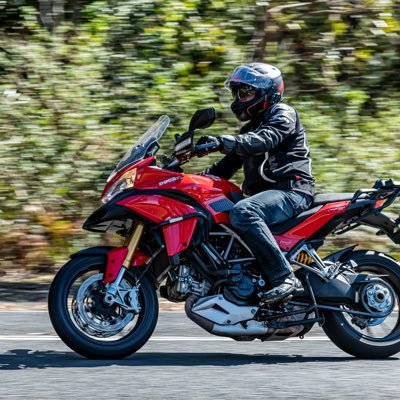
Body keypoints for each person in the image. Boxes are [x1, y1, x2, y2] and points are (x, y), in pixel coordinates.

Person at [196, 63, 314, 304]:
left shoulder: (283, 114)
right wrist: (187, 181)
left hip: (291, 190)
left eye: (246, 93)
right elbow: (222, 170)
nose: (240, 99)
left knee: (243, 211)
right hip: (266, 196)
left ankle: (284, 277)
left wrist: (223, 141)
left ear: (267, 93)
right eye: (238, 93)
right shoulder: (250, 128)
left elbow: (264, 139)